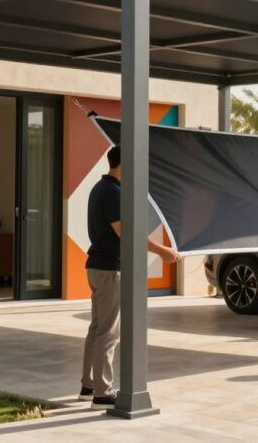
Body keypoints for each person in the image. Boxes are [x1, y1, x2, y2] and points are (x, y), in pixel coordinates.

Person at [80, 145, 181, 409]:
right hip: (109, 269)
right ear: (123, 164)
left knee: (98, 328)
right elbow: (126, 232)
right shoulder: (113, 192)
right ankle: (102, 393)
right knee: (108, 332)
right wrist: (163, 251)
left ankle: (88, 385)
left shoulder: (99, 189)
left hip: (98, 266)